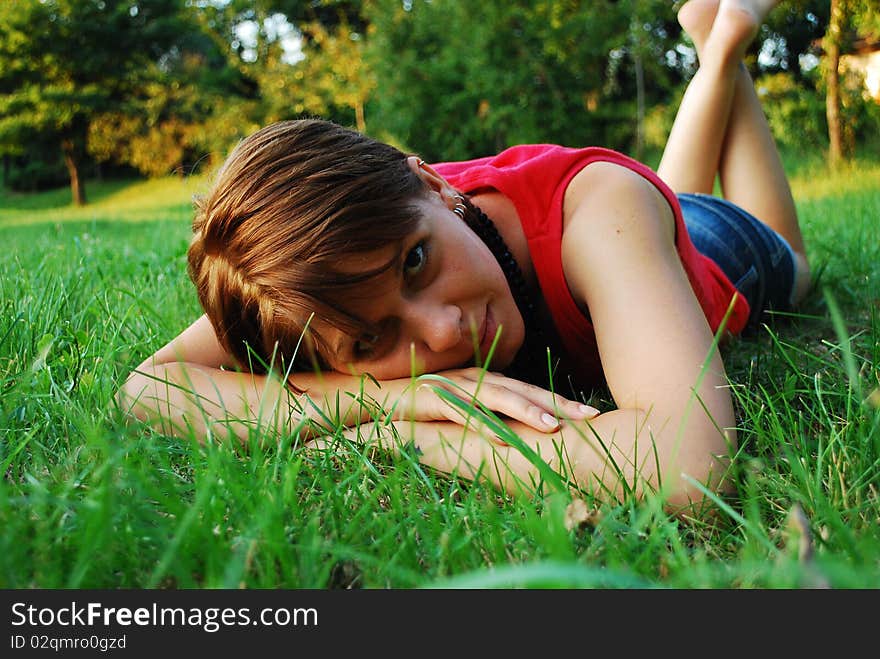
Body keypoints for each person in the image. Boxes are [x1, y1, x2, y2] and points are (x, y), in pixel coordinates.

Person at [116, 0, 811, 513]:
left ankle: (724, 51)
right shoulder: (309, 282)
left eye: (415, 263)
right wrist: (381, 399)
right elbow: (149, 388)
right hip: (637, 242)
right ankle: (711, 39)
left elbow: (691, 463)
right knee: (668, 201)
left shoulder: (595, 213)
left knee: (784, 255)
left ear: (434, 184)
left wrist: (425, 438)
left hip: (699, 246)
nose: (443, 332)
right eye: (370, 337)